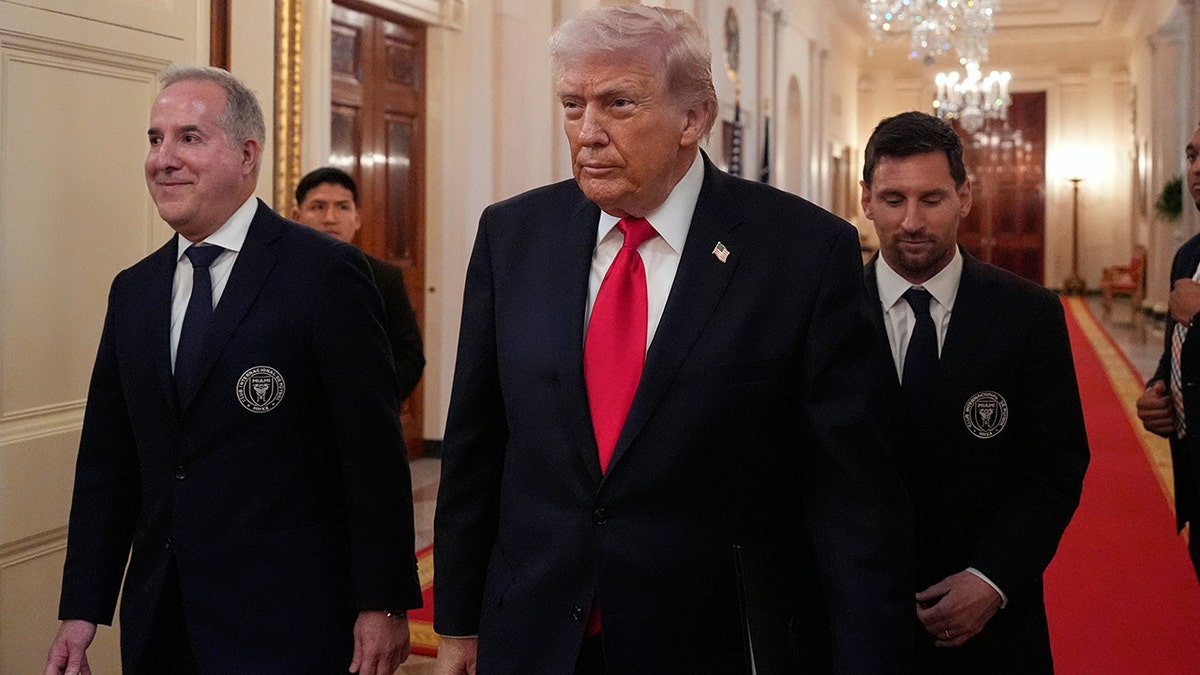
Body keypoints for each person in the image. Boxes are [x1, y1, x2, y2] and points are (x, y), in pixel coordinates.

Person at [432, 6, 913, 674]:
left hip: (713, 638)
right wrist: (456, 621)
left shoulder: (801, 253)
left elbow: (851, 499)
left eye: (618, 103)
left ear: (694, 118)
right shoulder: (513, 236)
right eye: (573, 105)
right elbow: (477, 445)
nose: (588, 133)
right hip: (535, 631)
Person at [43, 64, 421, 675]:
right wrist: (83, 608)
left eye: (189, 138)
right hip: (163, 617)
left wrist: (381, 602)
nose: (163, 158)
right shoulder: (134, 292)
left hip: (289, 618)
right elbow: (108, 461)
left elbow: (370, 452)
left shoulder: (324, 276)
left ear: (248, 155)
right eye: (154, 138)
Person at [860, 110, 1090, 673]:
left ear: (965, 196)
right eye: (893, 200)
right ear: (865, 199)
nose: (912, 221)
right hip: (857, 620)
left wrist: (993, 578)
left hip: (990, 626)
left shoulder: (1028, 314)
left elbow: (1055, 465)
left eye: (932, 199)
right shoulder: (825, 310)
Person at [293, 166, 425, 402]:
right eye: (318, 207)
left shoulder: (384, 278)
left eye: (343, 207)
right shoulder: (279, 274)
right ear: (296, 217)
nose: (330, 218)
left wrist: (374, 400)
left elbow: (409, 356)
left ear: (357, 218)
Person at [1136, 121, 1200, 582]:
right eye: (1192, 156)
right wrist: (1158, 392)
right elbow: (1175, 353)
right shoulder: (1188, 256)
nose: (1196, 168)